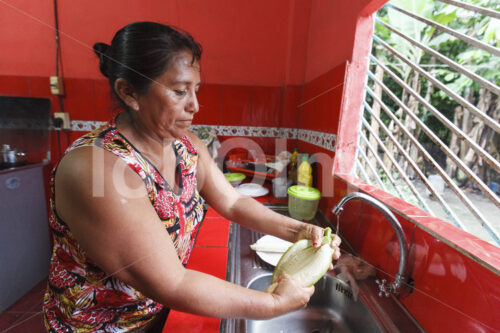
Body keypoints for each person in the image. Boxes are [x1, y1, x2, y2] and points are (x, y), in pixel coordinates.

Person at [42, 21, 341, 332]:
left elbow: (233, 202)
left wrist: (299, 231)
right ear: (129, 92)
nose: (195, 106)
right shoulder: (94, 167)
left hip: (157, 315)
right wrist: (273, 304)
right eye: (179, 91)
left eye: (196, 90)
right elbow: (173, 282)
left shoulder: (186, 145)